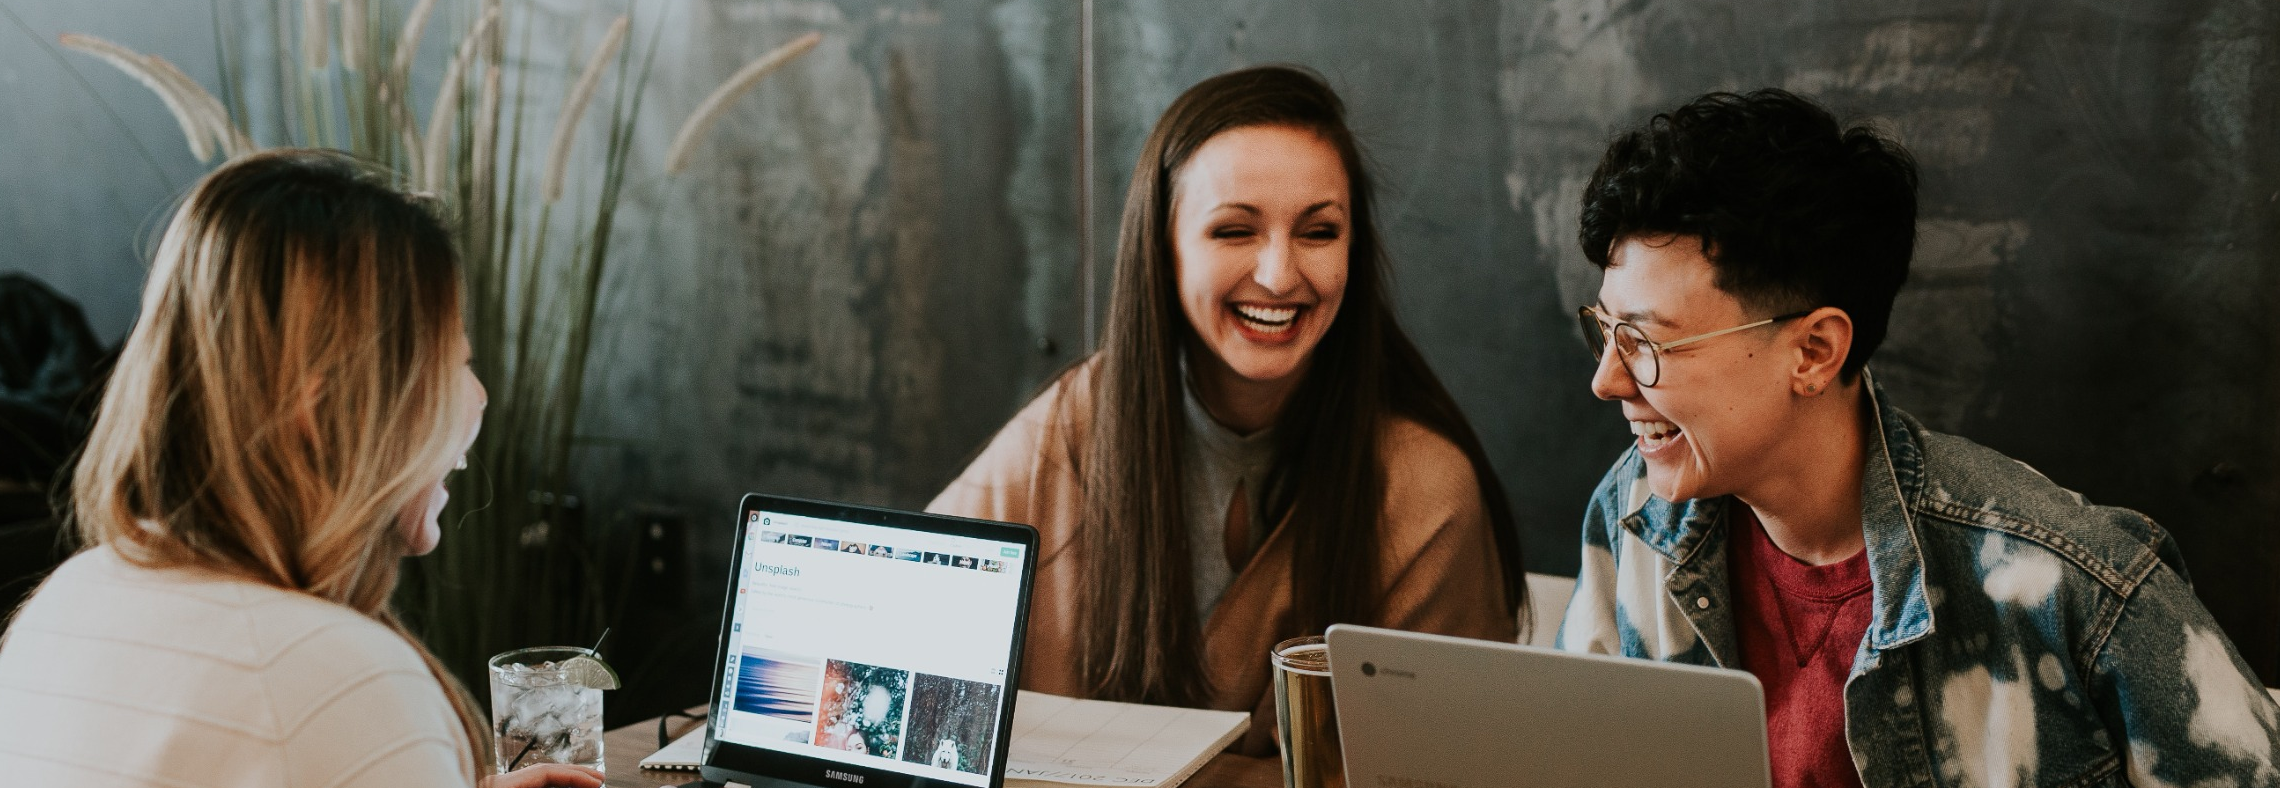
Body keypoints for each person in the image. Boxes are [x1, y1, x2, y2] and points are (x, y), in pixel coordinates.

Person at [1557, 89, 2280, 787]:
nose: (1608, 381)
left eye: (1648, 344)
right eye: (1605, 331)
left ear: (1812, 353)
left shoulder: (2072, 586)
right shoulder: (1635, 515)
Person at [930, 65, 1522, 754]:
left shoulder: (1425, 490)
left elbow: (1446, 761)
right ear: (1164, 248)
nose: (1278, 274)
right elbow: (903, 631)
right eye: (1235, 231)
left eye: (1319, 232)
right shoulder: (1071, 425)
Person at [0, 150, 602, 788]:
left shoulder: (65, 603)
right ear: (325, 410)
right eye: (451, 364)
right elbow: (297, 726)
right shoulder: (341, 684)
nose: (477, 396)